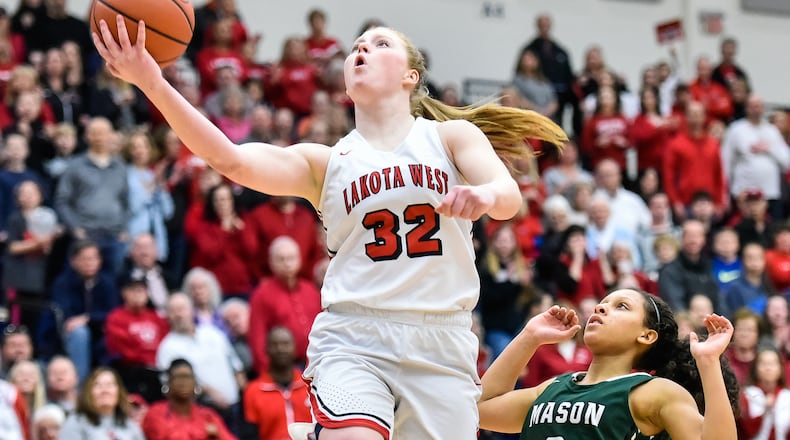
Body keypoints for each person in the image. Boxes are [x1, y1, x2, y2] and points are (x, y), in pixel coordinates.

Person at [93, 17, 566, 440]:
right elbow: (227, 158)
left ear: (411, 76)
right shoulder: (326, 162)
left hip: (441, 338)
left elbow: (508, 198)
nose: (361, 49)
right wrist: (152, 82)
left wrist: (483, 195)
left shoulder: (449, 138)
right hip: (355, 333)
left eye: (380, 44)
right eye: (356, 46)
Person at [477, 289, 740, 439]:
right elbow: (478, 408)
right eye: (602, 304)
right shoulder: (551, 388)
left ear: (646, 335)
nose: (600, 309)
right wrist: (529, 337)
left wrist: (707, 362)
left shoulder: (653, 392)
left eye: (621, 306)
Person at [142, 359, 235, 440]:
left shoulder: (208, 415)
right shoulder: (156, 413)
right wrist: (204, 433)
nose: (183, 382)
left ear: (195, 383)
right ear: (169, 383)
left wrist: (217, 435)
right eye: (178, 377)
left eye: (187, 377)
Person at [57, 367, 145, 439]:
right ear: (88, 392)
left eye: (109, 385)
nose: (104, 390)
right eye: (98, 385)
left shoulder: (130, 425)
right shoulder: (75, 423)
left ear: (119, 392)